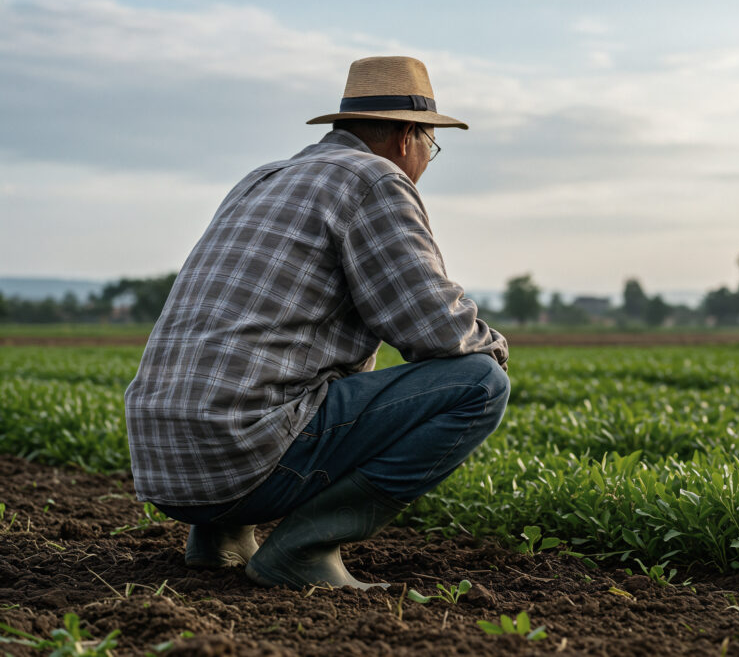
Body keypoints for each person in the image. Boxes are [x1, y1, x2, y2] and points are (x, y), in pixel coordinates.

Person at [124, 56, 510, 591]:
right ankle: (302, 550)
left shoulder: (263, 178)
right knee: (479, 383)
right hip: (237, 459)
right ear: (405, 137)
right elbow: (435, 328)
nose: (426, 158)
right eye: (431, 144)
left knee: (292, 367)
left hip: (164, 460)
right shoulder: (375, 179)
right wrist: (493, 346)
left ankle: (217, 537)